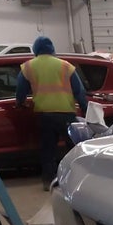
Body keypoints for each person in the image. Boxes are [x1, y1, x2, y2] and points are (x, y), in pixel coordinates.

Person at [15, 36, 88, 190]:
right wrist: (85, 107)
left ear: (35, 50)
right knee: (73, 149)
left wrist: (20, 103)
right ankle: (75, 180)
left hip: (44, 114)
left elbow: (20, 90)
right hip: (66, 113)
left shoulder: (28, 67)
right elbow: (79, 90)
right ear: (52, 49)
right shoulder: (65, 66)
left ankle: (49, 182)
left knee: (48, 150)